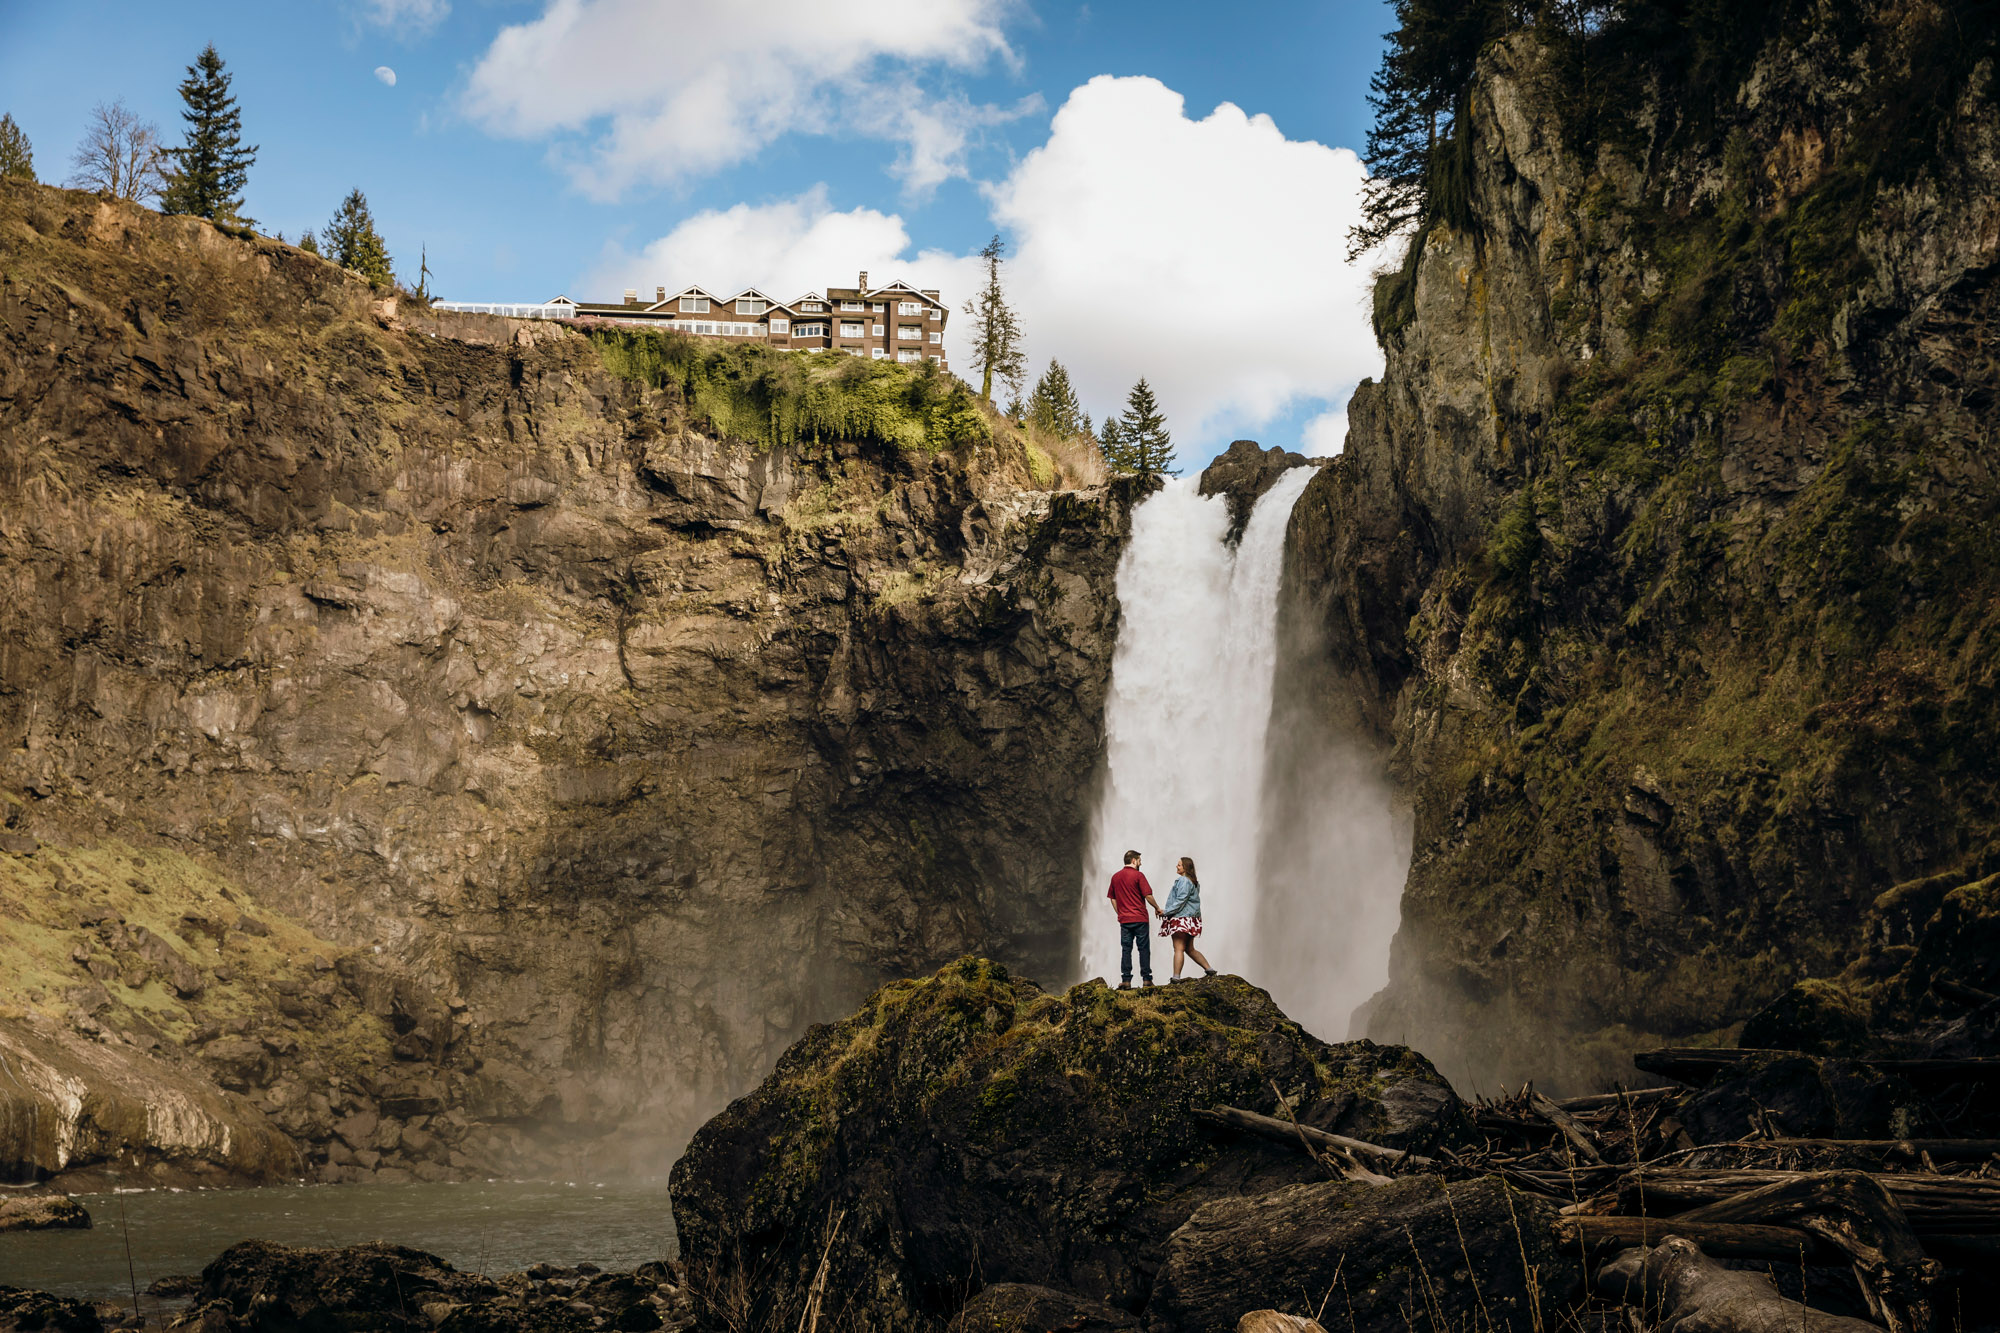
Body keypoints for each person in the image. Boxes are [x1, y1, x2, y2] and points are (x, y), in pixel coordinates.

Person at [1107, 849, 1163, 989]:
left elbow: (1112, 898)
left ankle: (1126, 980)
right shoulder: (1139, 875)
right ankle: (1146, 979)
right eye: (1139, 860)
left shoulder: (1115, 877)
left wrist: (1119, 912)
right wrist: (1157, 907)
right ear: (1133, 860)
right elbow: (1148, 895)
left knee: (1126, 949)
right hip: (1140, 919)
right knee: (1143, 949)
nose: (1140, 862)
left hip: (1125, 920)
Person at [1159, 856, 1215, 982]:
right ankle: (1209, 969)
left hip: (1182, 919)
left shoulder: (1183, 881)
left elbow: (1181, 901)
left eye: (1179, 865)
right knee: (1190, 948)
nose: (1176, 867)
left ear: (1185, 868)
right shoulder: (1194, 882)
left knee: (1178, 948)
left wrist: (1166, 912)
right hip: (1192, 919)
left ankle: (1176, 977)